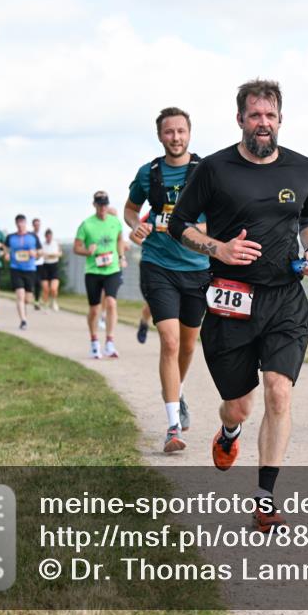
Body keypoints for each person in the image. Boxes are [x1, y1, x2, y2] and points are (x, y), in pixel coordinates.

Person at [169, 79, 308, 532]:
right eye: (255, 115)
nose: (263, 123)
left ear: (280, 120)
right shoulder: (215, 169)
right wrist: (218, 249)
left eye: (270, 116)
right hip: (230, 302)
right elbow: (180, 225)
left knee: (279, 390)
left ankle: (265, 496)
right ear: (240, 119)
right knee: (239, 405)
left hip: (285, 299)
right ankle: (230, 430)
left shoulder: (303, 167)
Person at [125, 106, 211, 453]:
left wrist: (193, 230)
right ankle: (173, 426)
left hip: (197, 267)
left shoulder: (207, 171)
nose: (175, 138)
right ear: (160, 136)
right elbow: (132, 210)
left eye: (180, 131)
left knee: (189, 345)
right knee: (171, 342)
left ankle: (178, 391)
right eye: (168, 132)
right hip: (158, 265)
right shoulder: (149, 173)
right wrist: (137, 226)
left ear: (189, 133)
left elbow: (220, 220)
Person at [73, 191, 126, 359]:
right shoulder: (86, 225)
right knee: (95, 310)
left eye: (105, 204)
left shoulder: (115, 222)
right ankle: (94, 342)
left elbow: (119, 240)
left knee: (111, 303)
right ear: (94, 205)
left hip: (112, 269)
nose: (103, 207)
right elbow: (76, 247)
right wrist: (87, 251)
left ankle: (110, 342)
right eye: (100, 204)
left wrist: (121, 256)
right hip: (93, 271)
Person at [4, 214, 40, 330]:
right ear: (16, 224)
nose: (20, 224)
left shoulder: (33, 236)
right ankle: (23, 320)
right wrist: (6, 255)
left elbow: (40, 252)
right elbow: (5, 249)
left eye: (22, 222)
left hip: (30, 269)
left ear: (25, 223)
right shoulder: (10, 237)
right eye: (18, 222)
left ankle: (24, 312)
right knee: (20, 295)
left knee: (27, 298)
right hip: (16, 268)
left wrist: (35, 254)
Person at [39, 228, 62, 311]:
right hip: (45, 266)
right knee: (45, 289)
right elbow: (40, 254)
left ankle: (54, 301)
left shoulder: (56, 243)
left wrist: (53, 255)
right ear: (45, 236)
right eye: (47, 236)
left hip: (54, 266)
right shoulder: (42, 244)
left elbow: (60, 254)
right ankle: (45, 304)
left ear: (52, 236)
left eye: (50, 236)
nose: (49, 238)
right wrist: (43, 254)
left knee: (53, 288)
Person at [31, 218, 45, 310]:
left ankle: (37, 301)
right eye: (35, 224)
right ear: (33, 225)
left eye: (38, 224)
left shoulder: (43, 236)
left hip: (40, 263)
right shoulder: (30, 235)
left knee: (38, 283)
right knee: (31, 282)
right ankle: (31, 297)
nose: (37, 226)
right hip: (31, 262)